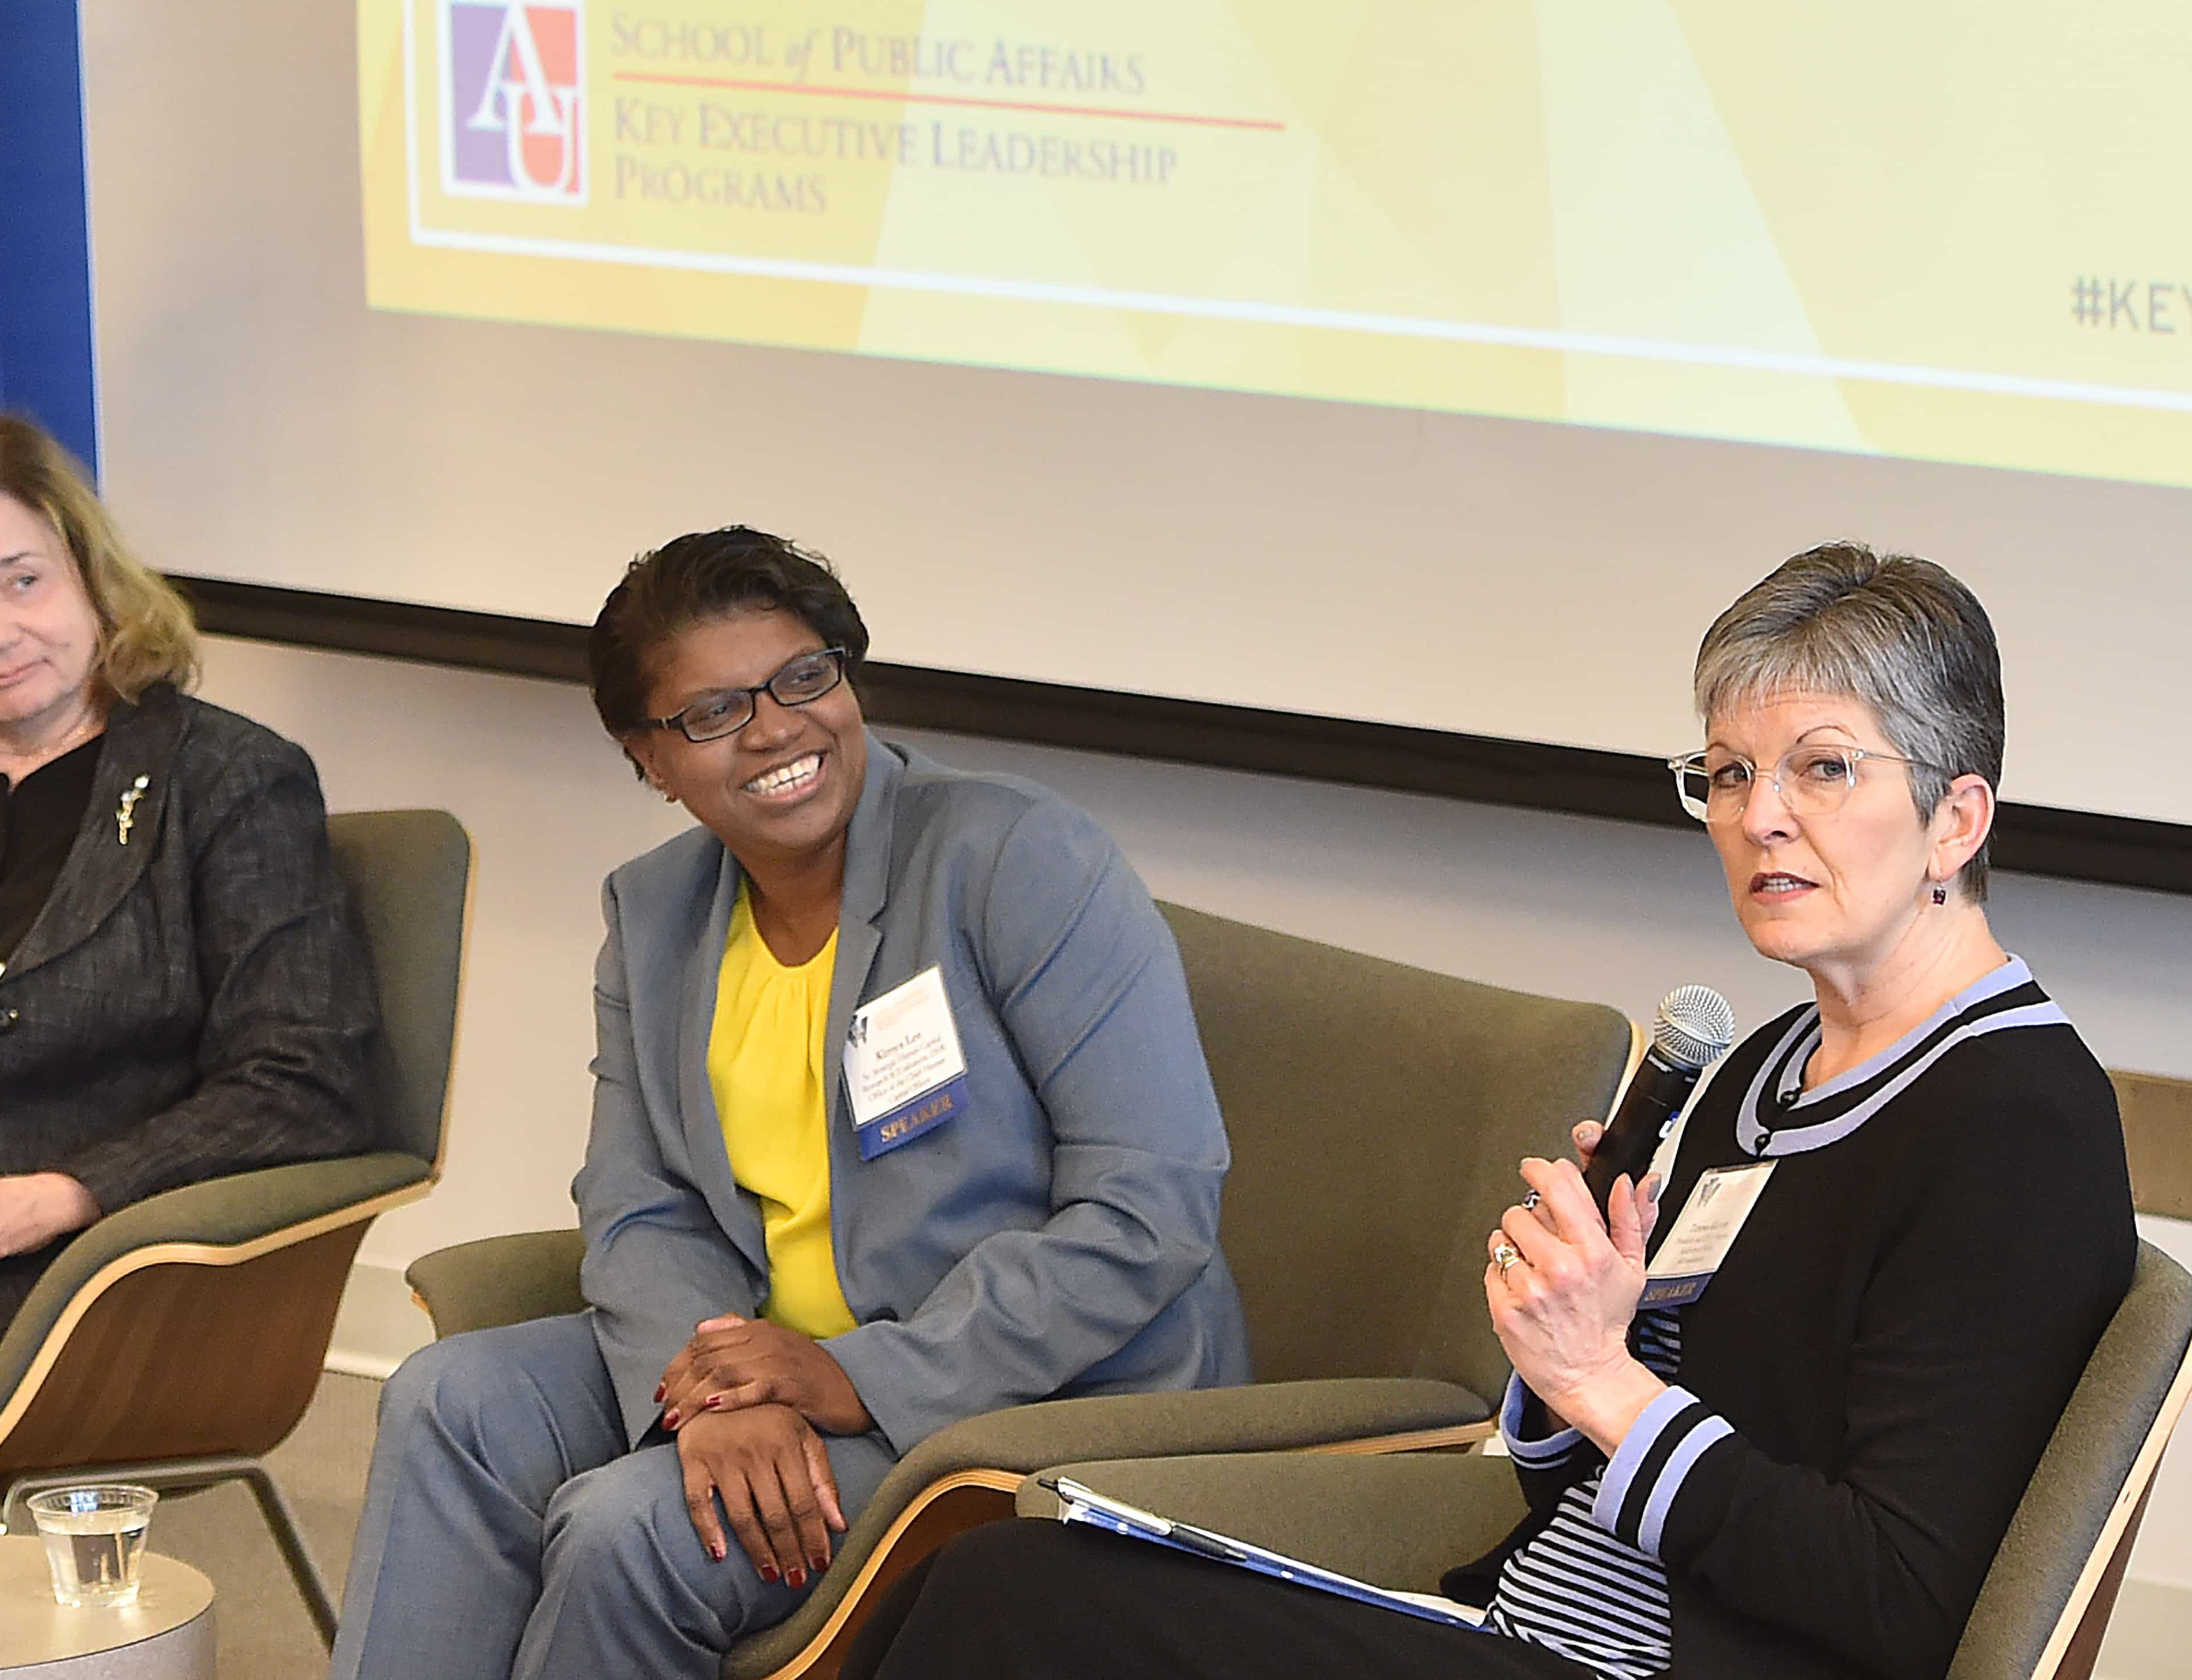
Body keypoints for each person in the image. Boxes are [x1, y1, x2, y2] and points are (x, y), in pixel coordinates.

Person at [840, 542, 2137, 1680]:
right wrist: (1555, 1331)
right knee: (994, 1582)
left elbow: (1899, 1599)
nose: (1761, 817)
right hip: (1515, 1619)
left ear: (1956, 815)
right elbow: (1563, 1464)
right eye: (1729, 773)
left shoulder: (2011, 1120)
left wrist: (1603, 1374)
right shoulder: (1763, 1068)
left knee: (1011, 1608)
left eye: (1823, 768)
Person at [329, 526, 1249, 1680]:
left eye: (805, 676)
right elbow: (640, 1202)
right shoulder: (658, 914)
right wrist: (708, 1398)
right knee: (448, 1398)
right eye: (713, 711)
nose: (775, 727)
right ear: (648, 757)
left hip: (1033, 1392)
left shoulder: (1018, 857)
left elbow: (1151, 1207)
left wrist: (857, 1377)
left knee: (634, 1530)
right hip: (773, 1355)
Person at [0, 412, 378, 1442]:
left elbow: (305, 1082)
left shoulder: (225, 780)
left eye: (22, 582)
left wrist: (52, 1198)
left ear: (93, 581)